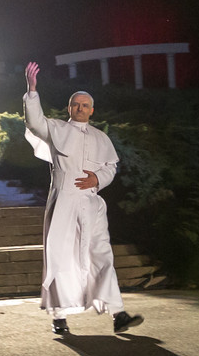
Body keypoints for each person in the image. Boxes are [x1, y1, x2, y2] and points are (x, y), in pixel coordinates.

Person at [23, 61, 142, 336]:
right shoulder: (55, 129)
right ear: (69, 108)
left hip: (91, 204)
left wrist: (97, 180)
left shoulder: (102, 138)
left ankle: (118, 313)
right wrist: (32, 92)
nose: (80, 108)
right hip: (63, 202)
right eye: (76, 104)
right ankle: (59, 316)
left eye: (86, 105)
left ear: (92, 110)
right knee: (60, 256)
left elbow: (110, 168)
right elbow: (34, 121)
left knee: (102, 255)